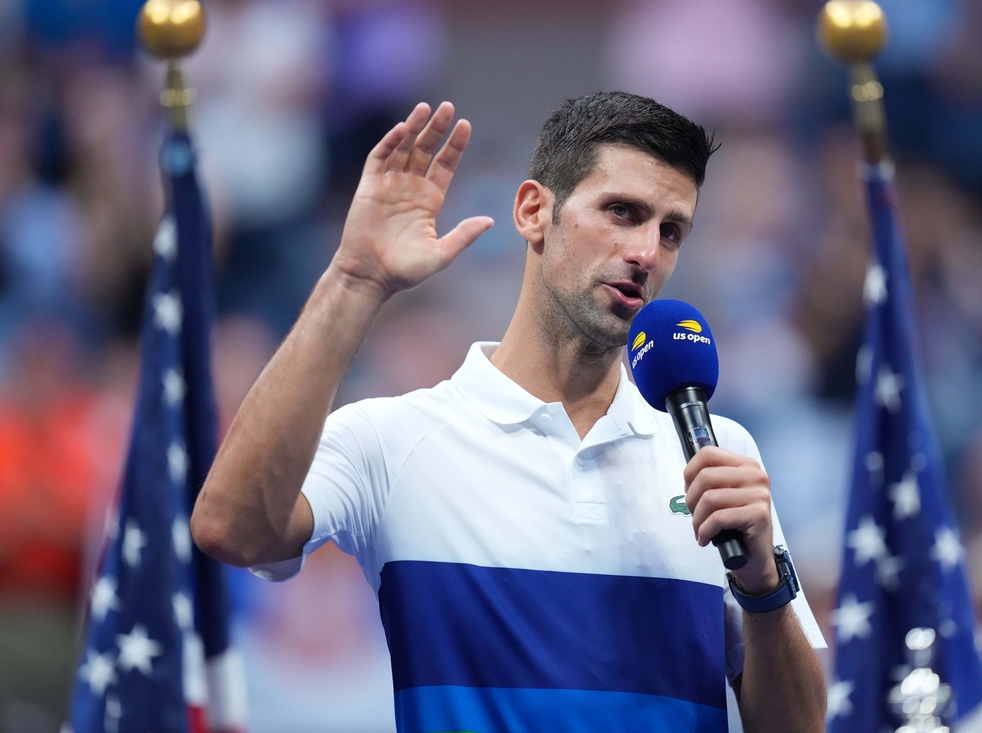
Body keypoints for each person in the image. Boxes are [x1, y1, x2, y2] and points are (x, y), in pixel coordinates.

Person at [192, 92, 828, 732]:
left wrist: (763, 586)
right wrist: (355, 280)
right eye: (621, 212)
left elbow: (797, 728)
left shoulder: (719, 452)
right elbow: (232, 529)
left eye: (671, 230)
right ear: (533, 212)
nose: (646, 252)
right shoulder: (391, 441)